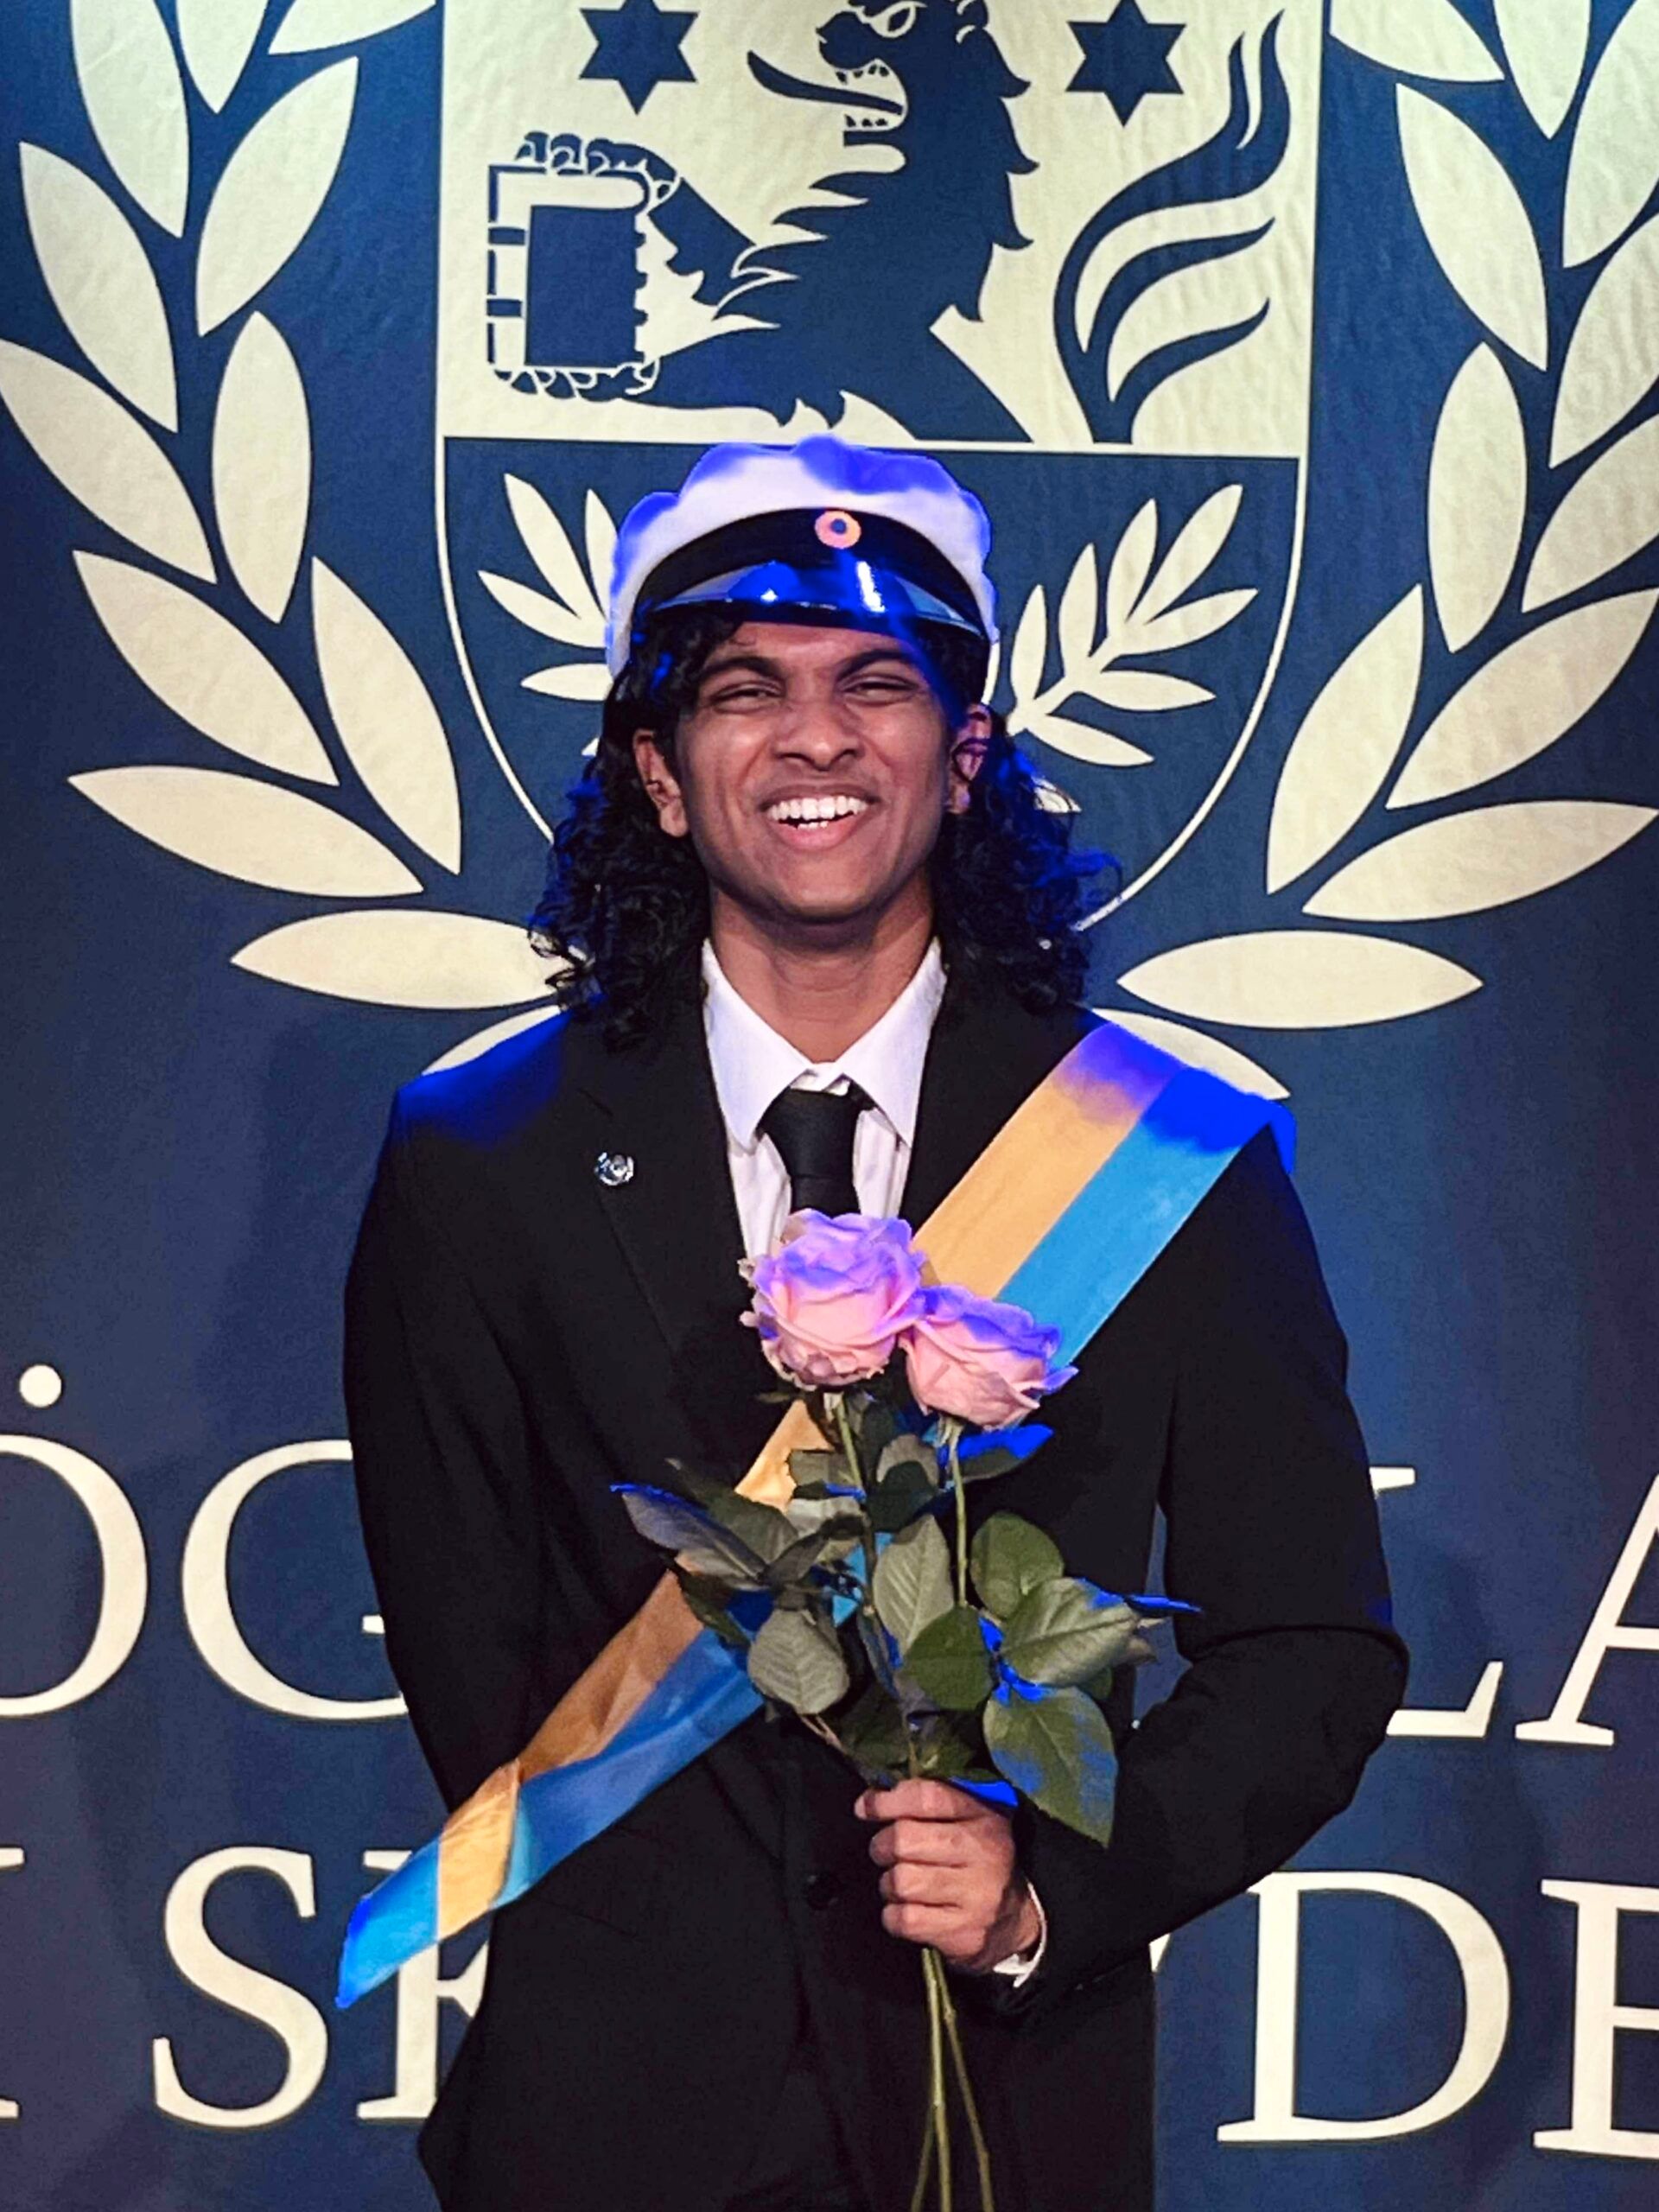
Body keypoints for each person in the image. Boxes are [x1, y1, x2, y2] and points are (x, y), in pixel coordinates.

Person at [342, 435, 1407, 2212]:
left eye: (878, 682)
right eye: (744, 687)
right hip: (602, 2123)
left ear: (966, 760)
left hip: (1003, 2098)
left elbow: (1311, 1642)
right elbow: (479, 1661)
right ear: (659, 774)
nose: (816, 734)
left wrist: (1053, 1880)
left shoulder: (1172, 1154)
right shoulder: (479, 1153)